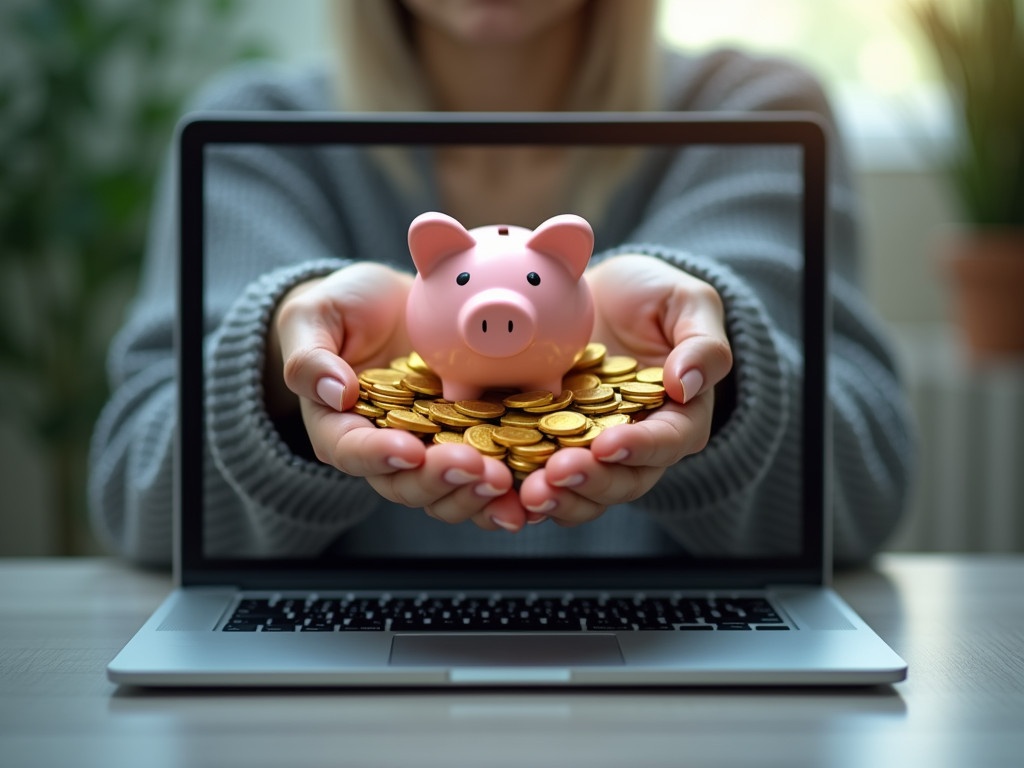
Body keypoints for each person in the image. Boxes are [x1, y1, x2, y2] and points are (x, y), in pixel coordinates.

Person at [88, 0, 914, 566]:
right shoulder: (256, 133)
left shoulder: (751, 112)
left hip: (674, 685)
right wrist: (277, 371)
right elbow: (138, 490)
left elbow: (863, 491)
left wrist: (717, 380)